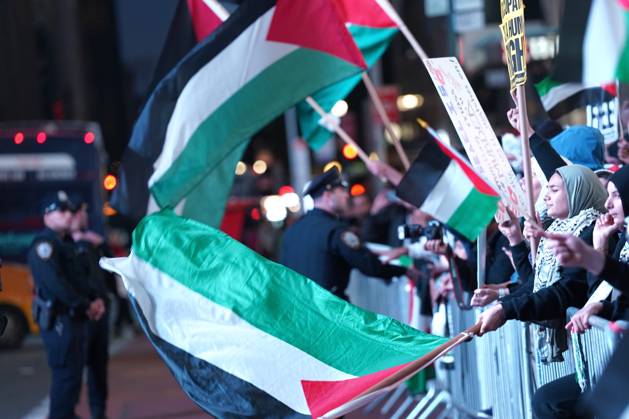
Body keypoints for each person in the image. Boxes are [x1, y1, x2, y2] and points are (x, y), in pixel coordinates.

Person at [28, 191, 104, 419]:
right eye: (61, 210)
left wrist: (93, 298)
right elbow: (56, 285)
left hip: (74, 319)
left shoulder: (66, 243)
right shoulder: (45, 245)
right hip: (60, 320)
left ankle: (67, 414)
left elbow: (81, 278)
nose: (68, 214)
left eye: (69, 210)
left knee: (72, 376)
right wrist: (85, 305)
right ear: (47, 217)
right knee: (66, 377)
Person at [280, 168, 407, 301]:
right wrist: (406, 269)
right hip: (330, 310)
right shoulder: (336, 231)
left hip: (300, 310)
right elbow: (369, 265)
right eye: (342, 191)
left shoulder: (292, 231)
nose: (347, 196)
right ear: (328, 196)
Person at [70, 200, 110, 419]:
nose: (84, 217)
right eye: (82, 212)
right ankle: (69, 411)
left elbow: (108, 266)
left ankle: (99, 412)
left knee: (98, 366)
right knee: (75, 369)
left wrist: (101, 243)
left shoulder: (92, 241)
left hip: (100, 311)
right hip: (83, 313)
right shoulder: (65, 245)